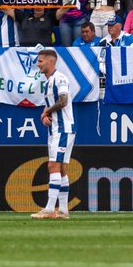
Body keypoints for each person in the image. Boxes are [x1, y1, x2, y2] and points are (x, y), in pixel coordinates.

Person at [33, 47, 74, 219]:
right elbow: (51, 105)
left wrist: (46, 111)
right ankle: (63, 210)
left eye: (40, 61)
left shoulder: (60, 78)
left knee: (53, 166)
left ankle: (50, 208)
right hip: (55, 129)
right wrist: (45, 115)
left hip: (63, 129)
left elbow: (63, 101)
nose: (38, 64)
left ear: (50, 61)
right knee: (61, 168)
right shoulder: (48, 82)